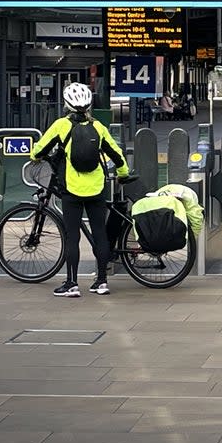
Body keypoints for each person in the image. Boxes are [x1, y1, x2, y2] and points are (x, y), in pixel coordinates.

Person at [31, 81, 130, 298]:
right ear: (88, 105)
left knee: (72, 236)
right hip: (96, 188)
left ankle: (72, 283)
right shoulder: (98, 127)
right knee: (100, 233)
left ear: (67, 104)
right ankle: (101, 281)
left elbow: (39, 150)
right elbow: (116, 154)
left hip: (72, 190)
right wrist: (123, 174)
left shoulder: (60, 126)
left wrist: (36, 156)